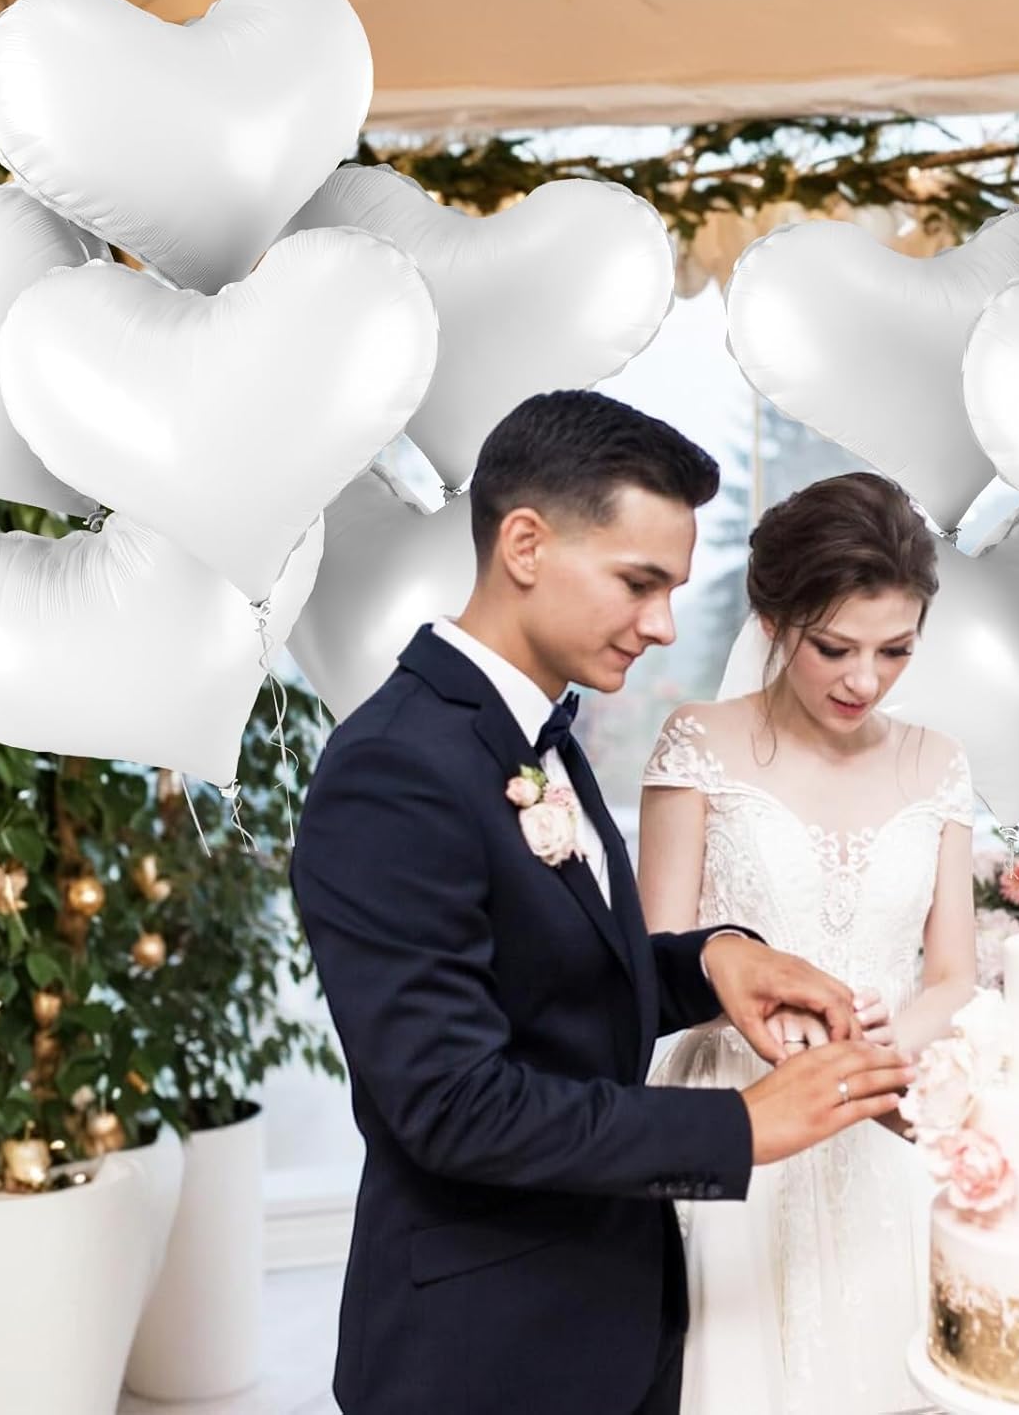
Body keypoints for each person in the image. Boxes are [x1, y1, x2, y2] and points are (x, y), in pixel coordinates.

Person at [290, 393, 915, 1415]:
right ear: (525, 544)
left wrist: (712, 958)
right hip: (486, 1352)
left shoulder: (538, 732)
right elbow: (453, 1105)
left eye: (671, 590)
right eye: (639, 583)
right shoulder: (392, 769)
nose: (663, 625)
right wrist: (739, 1127)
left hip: (618, 1308)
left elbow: (562, 979)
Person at [638, 471, 978, 1415]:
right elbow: (658, 956)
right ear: (775, 622)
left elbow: (953, 975)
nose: (864, 680)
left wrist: (880, 1053)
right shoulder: (697, 743)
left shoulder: (938, 764)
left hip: (882, 1124)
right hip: (737, 1113)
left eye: (895, 651)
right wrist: (764, 1021)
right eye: (835, 647)